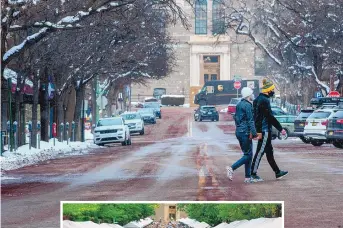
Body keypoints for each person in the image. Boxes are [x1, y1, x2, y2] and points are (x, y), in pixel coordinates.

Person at [251, 78, 288, 181]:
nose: (273, 92)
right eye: (272, 90)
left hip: (262, 129)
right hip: (265, 130)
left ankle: (277, 172)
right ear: (268, 90)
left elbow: (256, 117)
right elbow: (269, 117)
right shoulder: (264, 100)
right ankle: (252, 174)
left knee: (269, 152)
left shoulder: (257, 99)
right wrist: (280, 129)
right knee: (260, 152)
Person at [227, 87, 258, 183]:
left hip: (239, 131)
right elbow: (250, 120)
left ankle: (247, 177)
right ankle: (232, 168)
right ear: (248, 95)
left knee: (248, 154)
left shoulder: (239, 104)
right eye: (251, 93)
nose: (253, 95)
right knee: (248, 155)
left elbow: (236, 118)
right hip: (245, 132)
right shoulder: (248, 105)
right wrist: (254, 133)